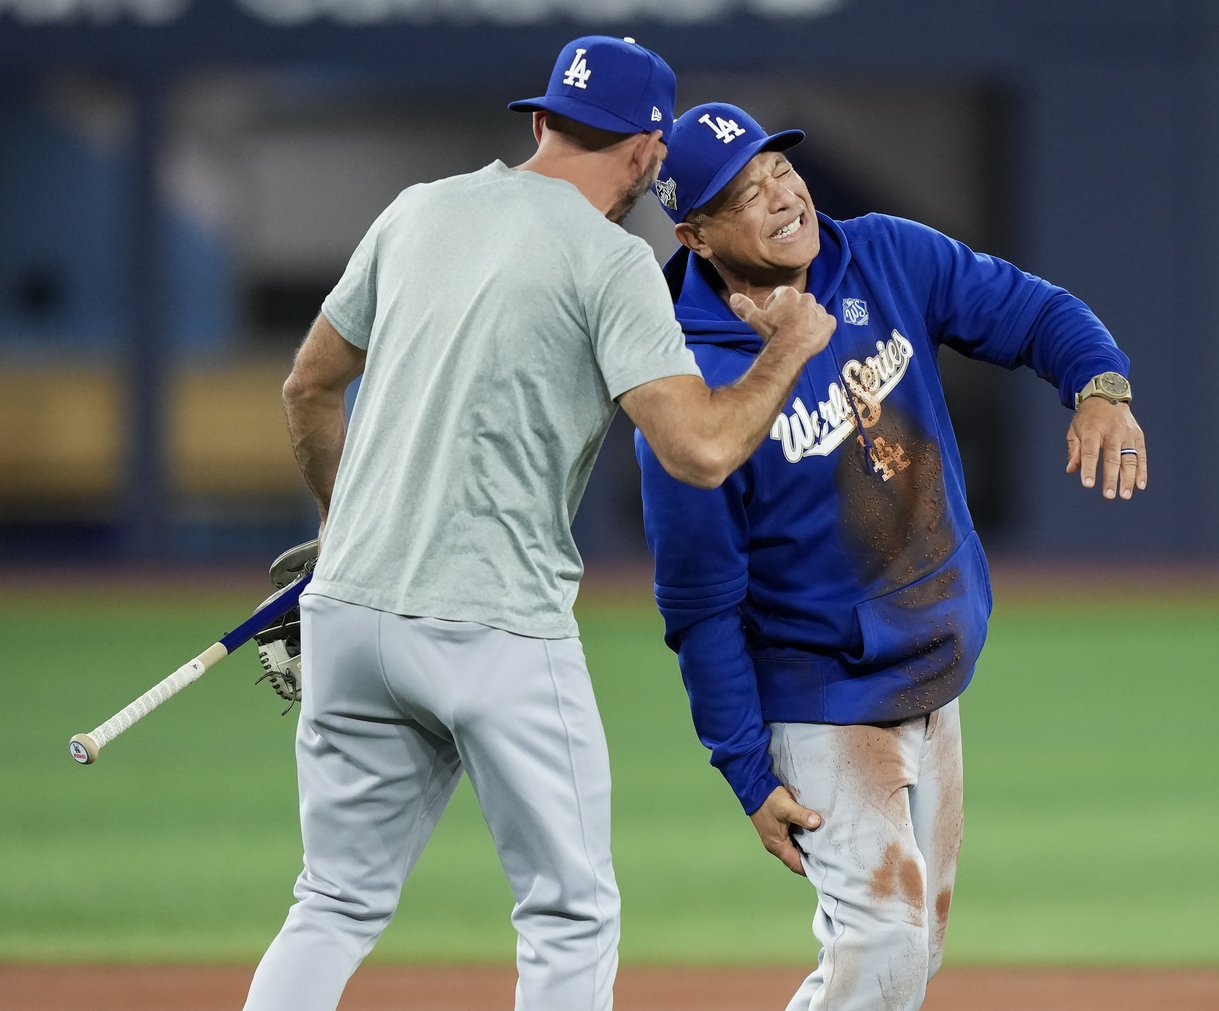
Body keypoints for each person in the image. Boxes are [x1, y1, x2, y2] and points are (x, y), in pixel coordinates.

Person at [242, 48, 835, 1011]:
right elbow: (701, 450)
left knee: (335, 900)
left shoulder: (416, 209)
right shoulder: (612, 263)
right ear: (650, 151)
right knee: (567, 916)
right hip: (495, 625)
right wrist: (792, 352)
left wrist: (343, 525)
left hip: (352, 609)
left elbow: (307, 385)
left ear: (540, 125)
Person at [636, 102, 1148, 1011]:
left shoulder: (882, 254)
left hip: (933, 672)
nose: (781, 196)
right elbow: (700, 604)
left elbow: (1029, 308)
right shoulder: (687, 384)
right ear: (696, 234)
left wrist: (1098, 382)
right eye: (743, 193)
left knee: (910, 953)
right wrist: (747, 769)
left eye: (777, 169)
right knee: (882, 951)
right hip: (822, 697)